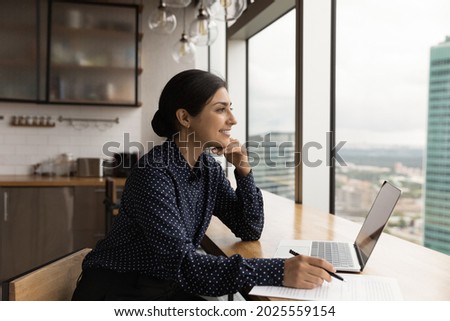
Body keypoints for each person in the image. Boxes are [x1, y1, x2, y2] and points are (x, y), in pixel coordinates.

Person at [72, 69, 336, 301]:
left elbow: (248, 227)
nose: (232, 119)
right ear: (185, 118)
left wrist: (243, 170)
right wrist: (279, 270)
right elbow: (186, 265)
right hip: (118, 293)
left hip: (164, 288)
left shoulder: (207, 167)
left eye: (230, 108)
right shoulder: (153, 173)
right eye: (221, 109)